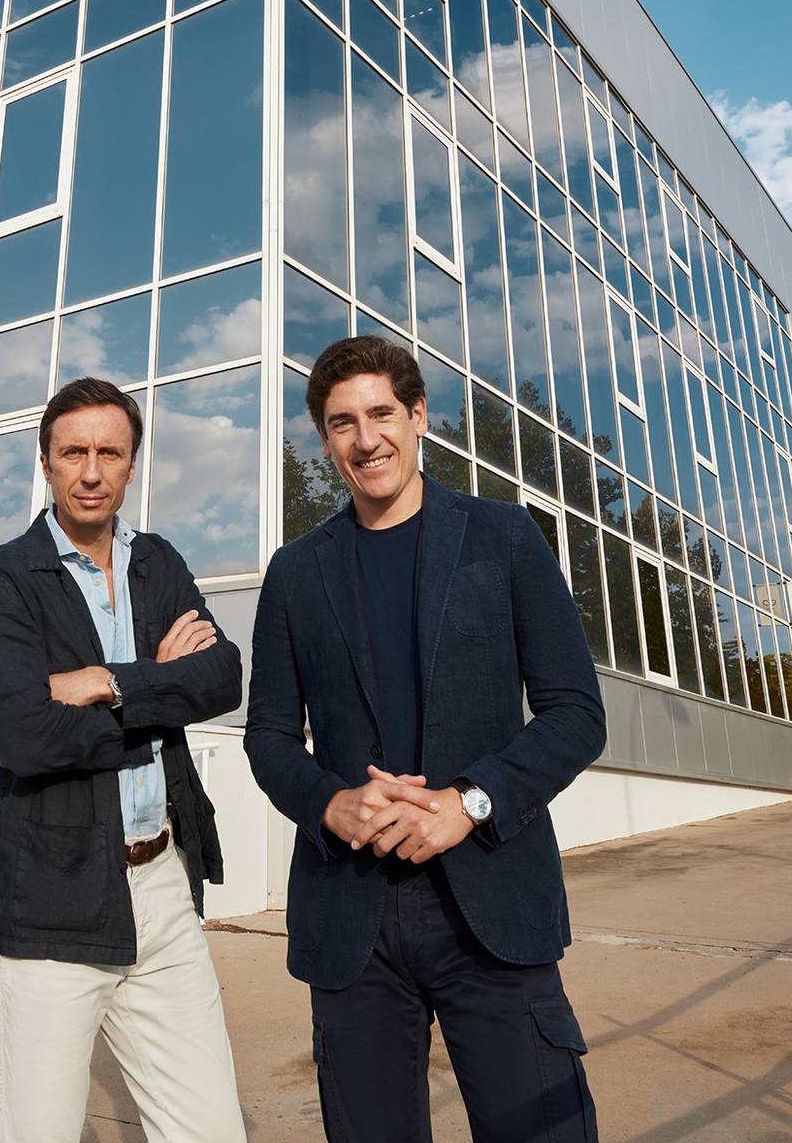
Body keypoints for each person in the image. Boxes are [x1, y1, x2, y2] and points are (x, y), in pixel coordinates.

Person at [245, 334, 606, 1142]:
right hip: (353, 918)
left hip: (490, 902)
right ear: (325, 438)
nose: (364, 438)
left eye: (380, 413)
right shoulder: (296, 571)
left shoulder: (505, 537)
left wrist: (466, 802)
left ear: (417, 417)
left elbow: (576, 712)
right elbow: (268, 734)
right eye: (341, 423)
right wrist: (330, 802)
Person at [0, 375, 246, 1143]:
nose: (91, 470)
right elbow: (23, 732)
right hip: (51, 899)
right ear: (47, 462)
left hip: (161, 888)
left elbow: (223, 676)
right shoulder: (1, 577)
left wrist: (107, 684)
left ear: (132, 464)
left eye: (109, 452)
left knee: (211, 1128)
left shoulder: (158, 561)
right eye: (73, 451)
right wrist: (162, 683)